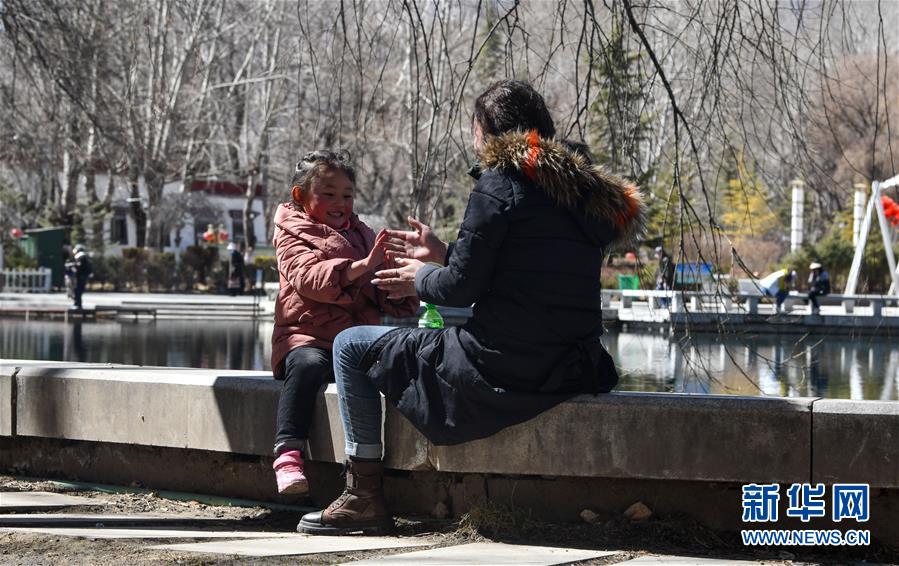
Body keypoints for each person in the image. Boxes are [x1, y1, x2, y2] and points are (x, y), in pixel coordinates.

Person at [296, 80, 644, 535]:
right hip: (572, 365)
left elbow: (460, 289)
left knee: (350, 346)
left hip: (505, 364)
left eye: (474, 128)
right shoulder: (581, 195)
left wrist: (419, 277)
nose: (473, 139)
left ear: (487, 131)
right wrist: (444, 253)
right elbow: (524, 271)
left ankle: (363, 496)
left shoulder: (500, 182)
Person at [269, 150, 418, 497]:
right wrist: (363, 266)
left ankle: (400, 461)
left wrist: (400, 285)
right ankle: (288, 453)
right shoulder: (290, 232)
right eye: (329, 194)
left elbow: (377, 285)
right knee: (306, 366)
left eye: (347, 196)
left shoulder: (362, 234)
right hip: (308, 337)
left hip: (355, 341)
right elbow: (310, 279)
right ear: (300, 195)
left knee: (405, 362)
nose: (340, 204)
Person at [69, 244, 92, 310]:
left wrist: (72, 265)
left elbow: (79, 266)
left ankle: (78, 305)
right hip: (82, 276)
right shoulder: (84, 256)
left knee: (77, 290)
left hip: (81, 276)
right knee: (78, 290)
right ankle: (77, 304)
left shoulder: (81, 256)